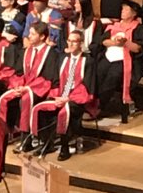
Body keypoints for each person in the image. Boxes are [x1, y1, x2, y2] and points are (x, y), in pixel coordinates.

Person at [29, 29, 97, 160]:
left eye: (75, 42)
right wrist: (54, 96)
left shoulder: (88, 61)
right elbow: (55, 80)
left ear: (81, 43)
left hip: (78, 99)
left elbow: (88, 85)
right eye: (69, 41)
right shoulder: (63, 58)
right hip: (61, 94)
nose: (71, 44)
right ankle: (47, 143)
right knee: (40, 108)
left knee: (64, 112)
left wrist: (68, 98)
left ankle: (65, 147)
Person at [0, 23, 59, 144]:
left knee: (25, 99)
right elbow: (19, 72)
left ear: (42, 37)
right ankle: (4, 133)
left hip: (40, 89)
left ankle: (26, 139)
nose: (29, 36)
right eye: (29, 33)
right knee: (5, 99)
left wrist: (27, 88)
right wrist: (18, 86)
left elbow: (48, 78)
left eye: (32, 34)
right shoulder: (26, 51)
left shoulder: (51, 53)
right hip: (24, 86)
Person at [95, 0, 143, 123]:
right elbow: (103, 41)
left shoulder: (139, 29)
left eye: (126, 9)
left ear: (134, 13)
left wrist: (125, 42)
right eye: (122, 9)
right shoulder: (114, 26)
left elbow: (138, 49)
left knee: (114, 75)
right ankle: (92, 102)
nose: (122, 11)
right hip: (109, 56)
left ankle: (100, 106)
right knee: (98, 70)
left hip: (127, 60)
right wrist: (113, 42)